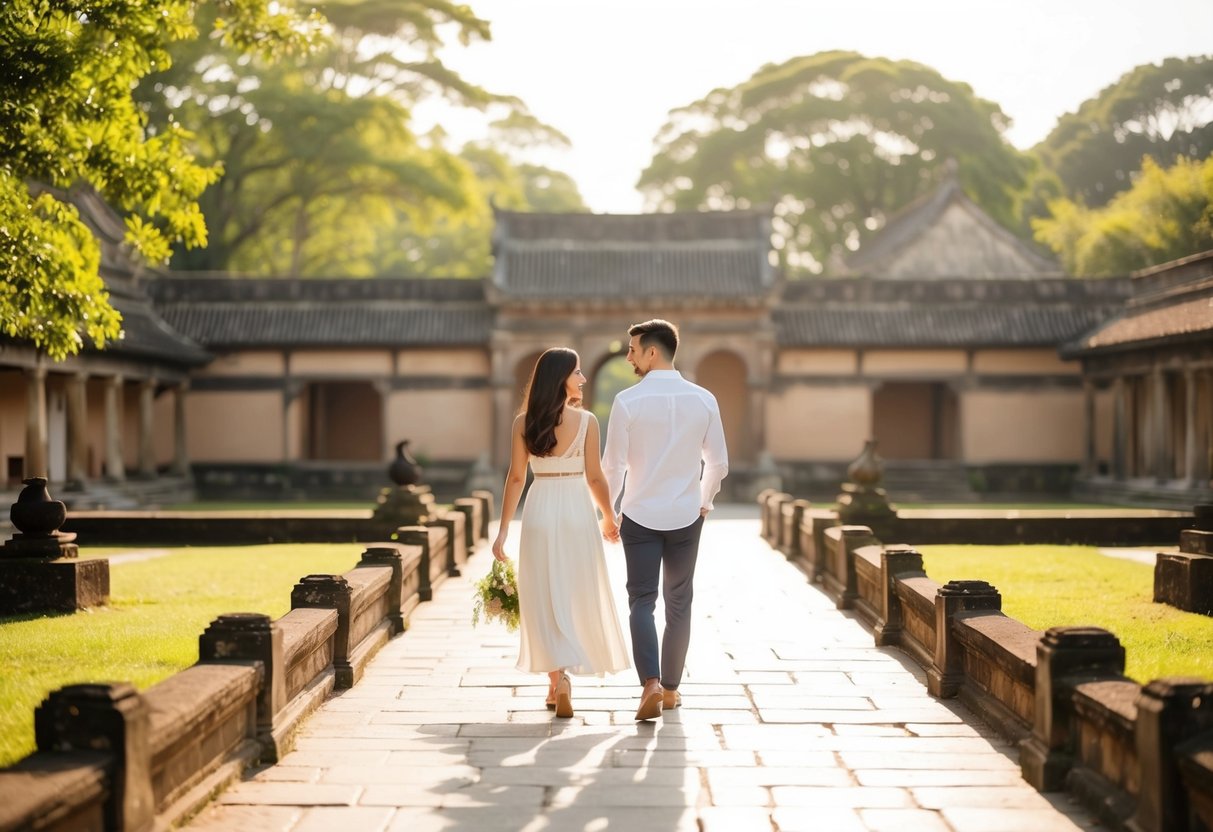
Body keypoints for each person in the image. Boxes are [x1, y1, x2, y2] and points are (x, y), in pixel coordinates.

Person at [492, 347, 630, 718]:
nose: (583, 379)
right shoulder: (586, 421)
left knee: (543, 594)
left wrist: (503, 530)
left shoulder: (523, 423)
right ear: (561, 379)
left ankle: (557, 682)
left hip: (539, 508)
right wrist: (608, 515)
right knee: (572, 590)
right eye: (578, 373)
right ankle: (563, 677)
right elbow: (596, 477)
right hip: (575, 509)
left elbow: (517, 477)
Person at [602, 319, 728, 721]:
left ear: (651, 352)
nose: (629, 357)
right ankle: (671, 691)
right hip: (686, 516)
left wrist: (607, 511)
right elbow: (719, 462)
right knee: (679, 602)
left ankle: (650, 684)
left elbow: (613, 466)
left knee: (642, 600)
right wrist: (703, 501)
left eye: (633, 349)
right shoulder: (705, 399)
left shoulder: (627, 401)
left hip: (639, 515)